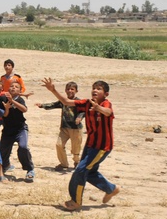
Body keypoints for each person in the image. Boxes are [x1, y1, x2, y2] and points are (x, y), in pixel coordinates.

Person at [41, 77, 120, 211]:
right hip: (90, 145)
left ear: (106, 94)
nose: (95, 90)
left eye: (99, 89)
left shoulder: (106, 104)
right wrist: (53, 90)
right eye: (94, 88)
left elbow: (108, 112)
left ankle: (76, 201)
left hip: (102, 146)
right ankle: (111, 189)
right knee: (89, 172)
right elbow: (66, 101)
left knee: (80, 170)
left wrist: (98, 108)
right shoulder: (86, 103)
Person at [36, 81, 84, 170]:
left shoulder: (78, 101)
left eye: (72, 89)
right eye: (68, 89)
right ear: (65, 90)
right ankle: (64, 164)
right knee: (59, 145)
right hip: (64, 128)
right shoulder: (63, 101)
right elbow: (54, 104)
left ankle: (77, 161)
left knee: (75, 149)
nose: (70, 91)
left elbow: (83, 111)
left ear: (76, 91)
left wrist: (79, 118)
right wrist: (42, 105)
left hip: (75, 129)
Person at [0, 80, 35, 181]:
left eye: (16, 87)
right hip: (7, 130)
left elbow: (24, 109)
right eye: (11, 86)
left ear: (19, 91)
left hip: (20, 129)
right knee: (3, 151)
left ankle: (30, 169)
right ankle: (6, 166)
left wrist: (12, 101)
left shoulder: (19, 99)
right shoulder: (3, 98)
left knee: (23, 147)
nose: (13, 88)